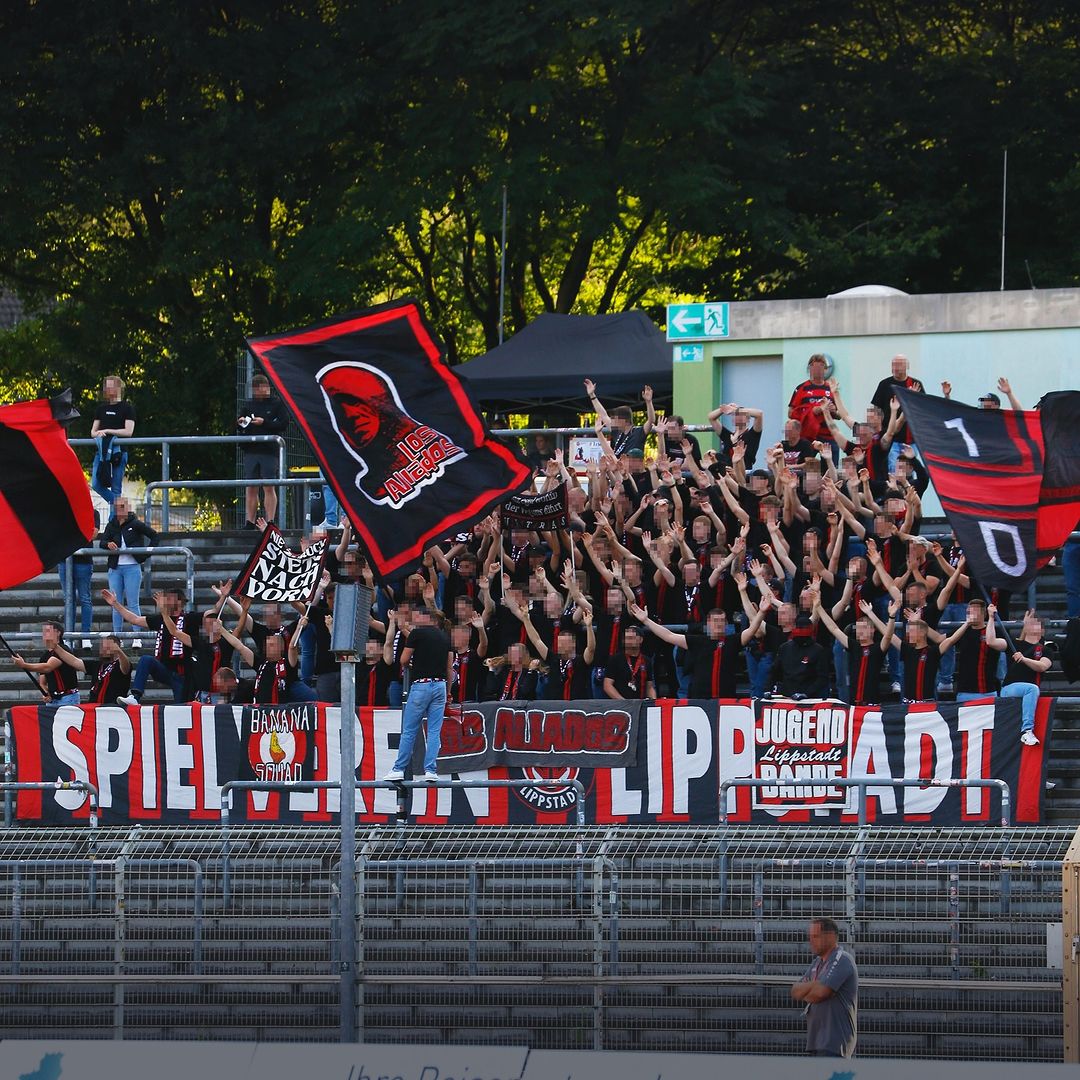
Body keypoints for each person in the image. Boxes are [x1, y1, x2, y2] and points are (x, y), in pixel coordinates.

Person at [383, 607, 452, 782]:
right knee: (434, 731)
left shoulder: (417, 634)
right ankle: (431, 770)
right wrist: (449, 691)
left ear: (426, 618)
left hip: (421, 685)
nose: (413, 619)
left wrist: (411, 665)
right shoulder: (445, 637)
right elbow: (449, 668)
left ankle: (399, 768)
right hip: (440, 686)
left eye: (416, 616)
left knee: (409, 730)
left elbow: (403, 660)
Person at [109, 586, 200, 704]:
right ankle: (135, 696)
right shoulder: (160, 619)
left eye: (169, 599)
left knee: (182, 707)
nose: (165, 601)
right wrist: (115, 604)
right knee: (146, 659)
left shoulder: (190, 618)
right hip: (164, 669)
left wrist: (222, 597)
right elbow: (135, 619)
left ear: (180, 601)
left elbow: (212, 614)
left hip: (182, 674)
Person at [790, 917, 858, 1058]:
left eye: (816, 936)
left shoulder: (842, 959)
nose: (811, 941)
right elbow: (796, 991)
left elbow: (822, 992)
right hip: (817, 1042)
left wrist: (812, 988)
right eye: (810, 937)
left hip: (834, 1044)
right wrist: (816, 984)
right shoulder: (817, 963)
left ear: (830, 937)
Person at [988, 607, 1053, 745]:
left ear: (1042, 630)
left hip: (1028, 689)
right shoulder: (1015, 644)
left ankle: (1027, 731)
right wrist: (991, 618)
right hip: (1009, 688)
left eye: (1036, 623)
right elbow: (991, 641)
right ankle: (1027, 730)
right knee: (1032, 689)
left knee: (1032, 689)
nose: (1032, 624)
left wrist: (1024, 659)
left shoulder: (1046, 650)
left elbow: (1042, 666)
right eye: (1030, 622)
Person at [238, 373, 290, 528]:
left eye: (267, 386)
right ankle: (250, 521)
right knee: (251, 487)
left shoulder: (277, 404)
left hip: (269, 451)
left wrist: (264, 422)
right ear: (255, 389)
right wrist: (241, 422)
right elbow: (240, 424)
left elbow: (283, 424)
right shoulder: (248, 405)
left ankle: (270, 521)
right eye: (261, 387)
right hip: (251, 450)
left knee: (268, 485)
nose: (266, 390)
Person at [100, 496, 158, 633]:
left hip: (132, 567)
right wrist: (108, 544)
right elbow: (102, 542)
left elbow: (154, 536)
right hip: (115, 569)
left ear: (128, 508)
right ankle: (117, 636)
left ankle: (137, 636)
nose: (119, 510)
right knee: (115, 603)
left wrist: (145, 554)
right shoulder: (111, 525)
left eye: (122, 507)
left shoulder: (136, 523)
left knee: (133, 603)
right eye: (116, 507)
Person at [90, 374, 136, 511]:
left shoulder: (127, 408)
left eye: (111, 386)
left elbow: (128, 432)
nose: (108, 389)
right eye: (106, 387)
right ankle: (121, 507)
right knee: (96, 484)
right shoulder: (101, 409)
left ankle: (114, 521)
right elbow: (93, 432)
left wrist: (109, 431)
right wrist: (99, 433)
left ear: (119, 388)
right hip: (101, 452)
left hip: (119, 452)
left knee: (116, 488)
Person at [11, 621, 83, 705]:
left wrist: (24, 665)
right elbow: (42, 682)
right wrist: (46, 693)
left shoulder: (63, 651)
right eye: (44, 632)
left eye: (48, 631)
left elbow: (48, 667)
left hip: (68, 697)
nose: (45, 634)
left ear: (58, 633)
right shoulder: (44, 656)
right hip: (53, 700)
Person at [85, 635, 132, 704]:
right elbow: (75, 662)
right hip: (94, 706)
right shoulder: (97, 664)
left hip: (113, 706)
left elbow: (126, 668)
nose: (102, 649)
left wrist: (119, 651)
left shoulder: (121, 663)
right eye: (102, 647)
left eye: (106, 647)